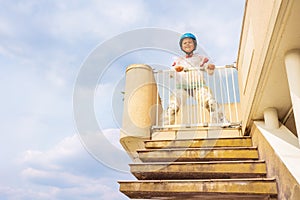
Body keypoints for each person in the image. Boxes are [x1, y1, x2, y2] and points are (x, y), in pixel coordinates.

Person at [162, 32, 228, 126]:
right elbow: (171, 72)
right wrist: (176, 69)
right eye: (185, 43)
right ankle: (166, 125)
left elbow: (207, 68)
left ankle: (220, 120)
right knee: (173, 105)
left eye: (190, 42)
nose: (187, 44)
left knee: (210, 101)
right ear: (181, 46)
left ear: (194, 45)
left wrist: (210, 67)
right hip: (182, 86)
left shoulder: (200, 58)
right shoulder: (178, 60)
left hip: (198, 86)